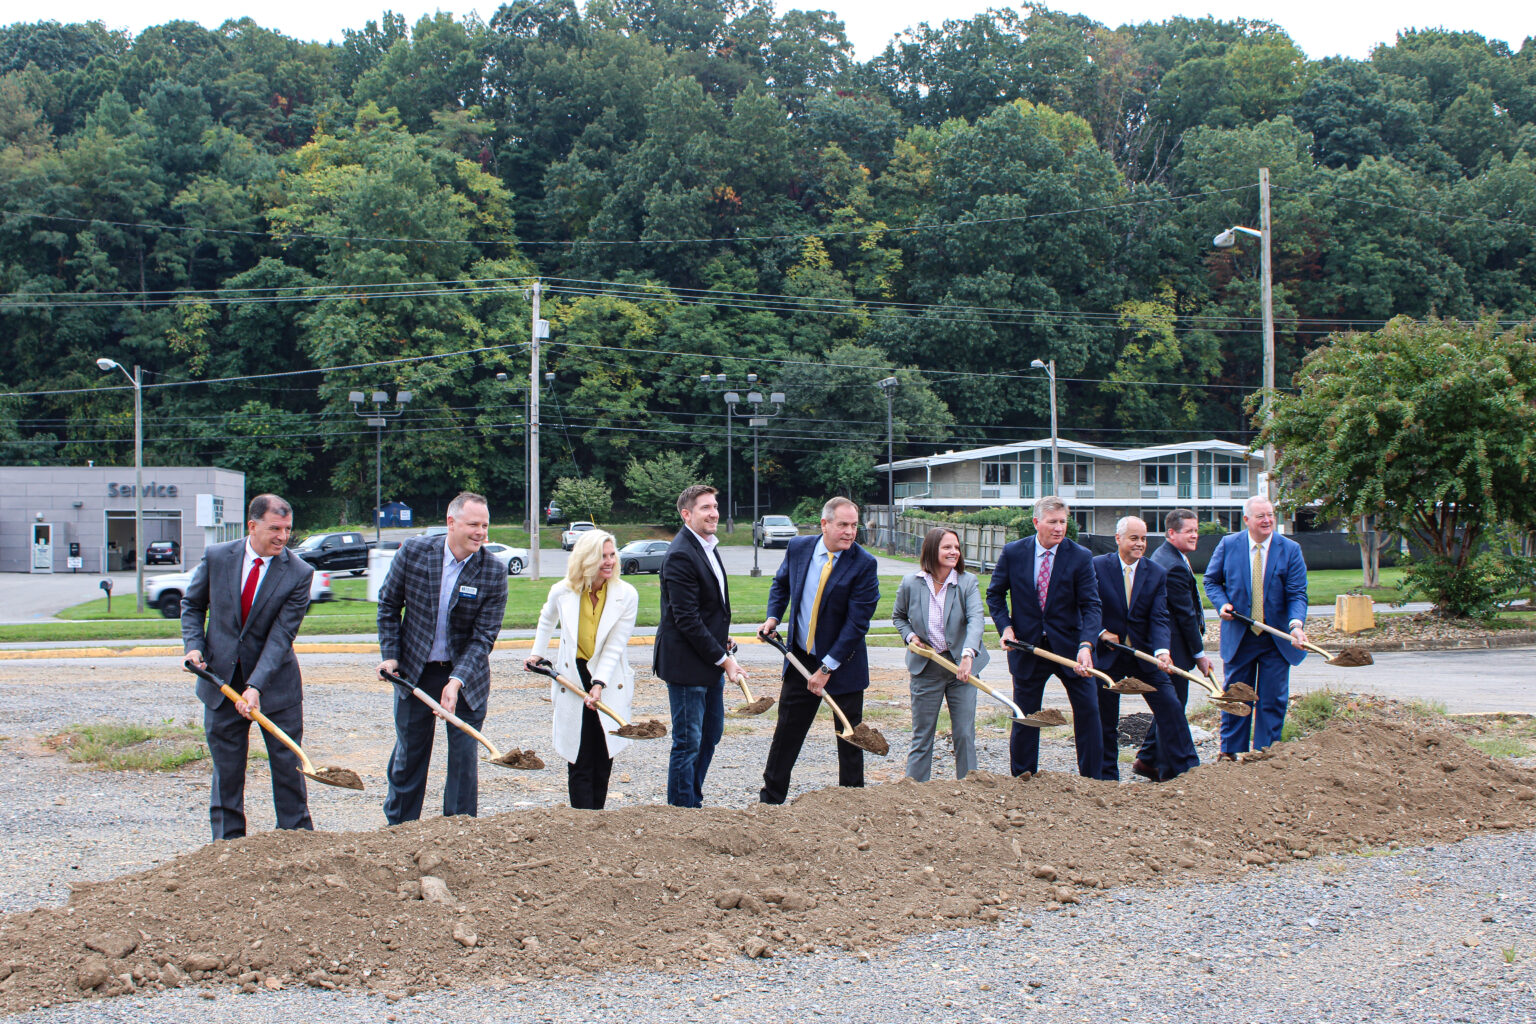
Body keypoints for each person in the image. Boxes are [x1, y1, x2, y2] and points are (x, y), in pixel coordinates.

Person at [181, 494, 315, 841]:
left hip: (276, 686)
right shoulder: (217, 557)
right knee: (227, 771)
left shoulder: (299, 573)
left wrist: (255, 687)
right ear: (252, 526)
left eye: (287, 529)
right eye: (275, 529)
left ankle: (296, 841)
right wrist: (194, 647)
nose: (283, 537)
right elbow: (192, 605)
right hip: (221, 682)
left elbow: (281, 636)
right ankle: (227, 846)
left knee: (288, 767)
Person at [377, 491, 509, 823]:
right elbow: (389, 605)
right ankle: (399, 829)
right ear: (451, 522)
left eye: (485, 525)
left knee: (463, 759)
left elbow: (483, 638)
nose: (481, 532)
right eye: (474, 525)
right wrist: (391, 657)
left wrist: (456, 680)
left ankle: (458, 832)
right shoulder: (414, 552)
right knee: (410, 754)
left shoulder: (493, 571)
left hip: (466, 676)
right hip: (415, 672)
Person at [757, 497, 880, 804]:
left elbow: (857, 624)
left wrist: (827, 668)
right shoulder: (799, 548)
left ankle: (850, 804)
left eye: (854, 525)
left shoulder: (864, 564)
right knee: (787, 734)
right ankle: (770, 801)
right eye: (843, 525)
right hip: (801, 658)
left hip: (843, 664)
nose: (850, 532)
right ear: (824, 524)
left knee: (849, 737)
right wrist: (773, 617)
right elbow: (781, 584)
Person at [985, 495, 1102, 779]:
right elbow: (995, 595)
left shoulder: (1080, 556)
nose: (1059, 528)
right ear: (1037, 522)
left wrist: (1086, 645)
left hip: (1071, 650)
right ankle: (1023, 779)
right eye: (1052, 522)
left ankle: (1094, 780)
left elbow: (1091, 605)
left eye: (1063, 522)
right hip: (1027, 648)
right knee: (1026, 717)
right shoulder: (1014, 552)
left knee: (1088, 712)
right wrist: (1006, 628)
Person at [527, 529, 638, 809]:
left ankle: (597, 817)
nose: (610, 562)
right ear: (586, 559)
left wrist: (598, 684)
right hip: (573, 675)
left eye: (612, 555)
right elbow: (546, 618)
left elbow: (614, 646)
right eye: (602, 556)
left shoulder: (626, 595)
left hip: (608, 677)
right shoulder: (563, 590)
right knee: (579, 752)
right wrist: (536, 654)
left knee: (603, 749)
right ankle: (580, 820)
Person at [653, 485, 747, 808]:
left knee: (710, 735)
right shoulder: (680, 553)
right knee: (688, 742)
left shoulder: (707, 546)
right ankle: (682, 812)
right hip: (686, 665)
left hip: (708, 660)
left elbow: (708, 608)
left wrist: (722, 638)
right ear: (686, 514)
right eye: (705, 507)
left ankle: (691, 799)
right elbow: (687, 619)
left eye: (715, 506)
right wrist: (726, 660)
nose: (714, 513)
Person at [1091, 516, 1199, 782]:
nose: (1140, 544)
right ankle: (1106, 780)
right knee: (1105, 719)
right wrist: (1101, 633)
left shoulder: (1155, 572)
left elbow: (1159, 617)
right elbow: (1087, 607)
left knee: (1171, 708)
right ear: (1118, 539)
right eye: (1134, 538)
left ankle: (1188, 772)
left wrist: (1162, 651)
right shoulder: (1097, 567)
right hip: (1108, 656)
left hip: (1145, 656)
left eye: (1143, 538)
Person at [1203, 495, 1310, 758]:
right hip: (1240, 635)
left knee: (1273, 699)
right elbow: (1211, 581)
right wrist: (1222, 604)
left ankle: (1264, 755)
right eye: (1261, 516)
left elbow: (1297, 593)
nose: (1267, 520)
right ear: (1247, 520)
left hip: (1276, 639)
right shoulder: (1229, 545)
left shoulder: (1290, 549)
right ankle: (1230, 752)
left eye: (1270, 515)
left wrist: (1296, 625)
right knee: (1236, 696)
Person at [892, 527, 990, 782]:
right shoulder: (911, 583)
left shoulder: (967, 582)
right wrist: (911, 637)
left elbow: (976, 620)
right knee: (922, 733)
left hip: (962, 667)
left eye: (956, 547)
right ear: (932, 550)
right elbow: (899, 617)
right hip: (927, 667)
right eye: (947, 547)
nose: (954, 552)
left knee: (964, 733)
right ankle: (915, 790)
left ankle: (969, 788)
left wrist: (968, 655)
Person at [1137, 508, 1214, 778]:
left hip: (1170, 647)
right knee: (1172, 708)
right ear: (1171, 533)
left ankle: (1147, 760)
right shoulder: (1173, 566)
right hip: (1173, 649)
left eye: (1196, 531)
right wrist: (1199, 654)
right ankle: (1171, 769)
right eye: (1189, 531)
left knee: (1170, 706)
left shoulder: (1169, 556)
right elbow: (1186, 616)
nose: (1195, 536)